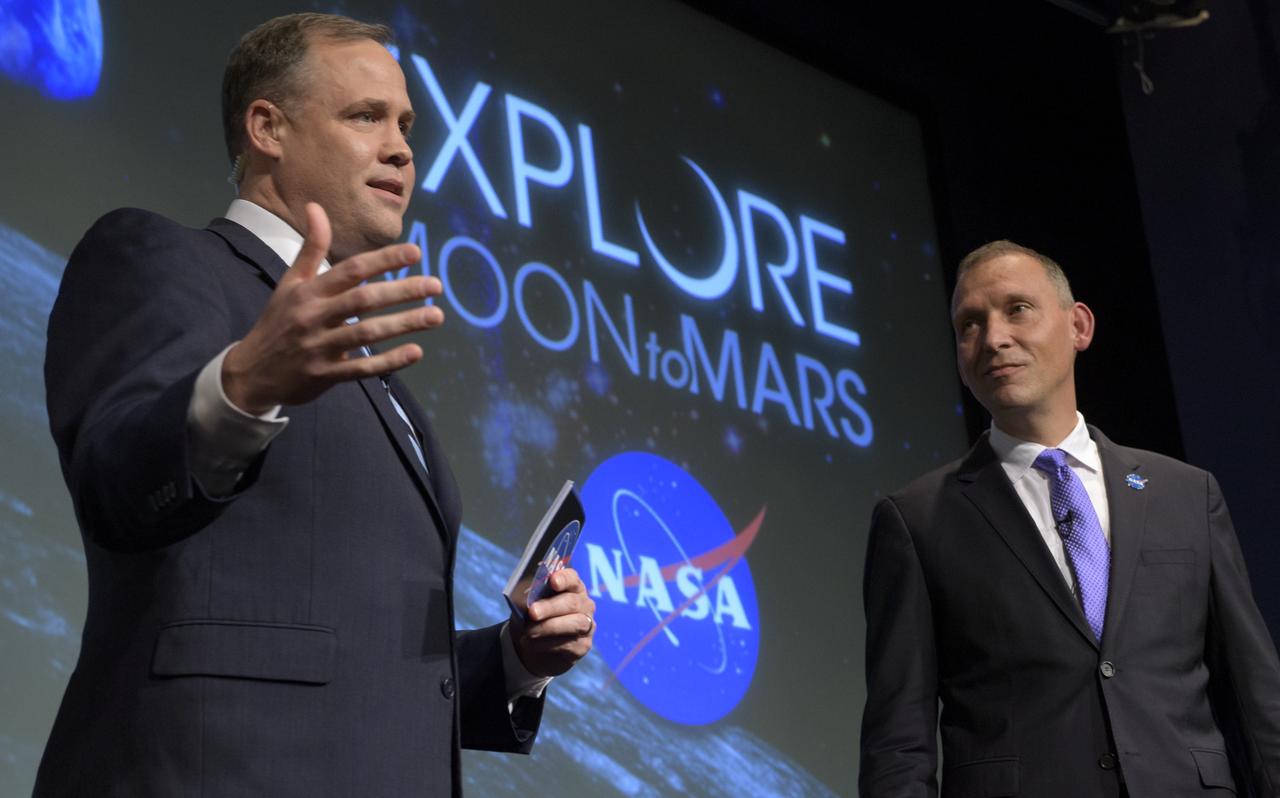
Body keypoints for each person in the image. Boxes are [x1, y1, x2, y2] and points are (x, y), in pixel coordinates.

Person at [36, 13, 594, 797]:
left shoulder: (372, 375)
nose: (401, 146)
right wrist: (242, 387)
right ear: (267, 126)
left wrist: (515, 659)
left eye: (406, 124)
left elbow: (362, 670)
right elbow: (115, 485)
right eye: (365, 115)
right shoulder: (166, 259)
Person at [859, 240, 1280, 797]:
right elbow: (898, 746)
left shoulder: (1186, 494)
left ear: (1078, 325)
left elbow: (1257, 703)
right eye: (969, 324)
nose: (994, 338)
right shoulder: (916, 520)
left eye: (1017, 309)